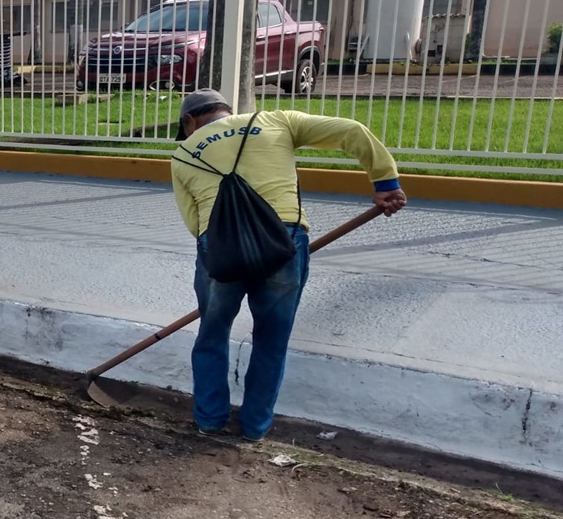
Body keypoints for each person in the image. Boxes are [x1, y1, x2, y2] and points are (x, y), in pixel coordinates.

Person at [170, 89, 407, 442]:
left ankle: (209, 421)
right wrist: (385, 183)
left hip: (219, 250)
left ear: (189, 121)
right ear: (226, 111)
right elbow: (353, 131)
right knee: (271, 339)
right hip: (284, 241)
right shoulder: (274, 120)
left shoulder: (184, 153)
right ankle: (254, 428)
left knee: (212, 334)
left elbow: (193, 221)